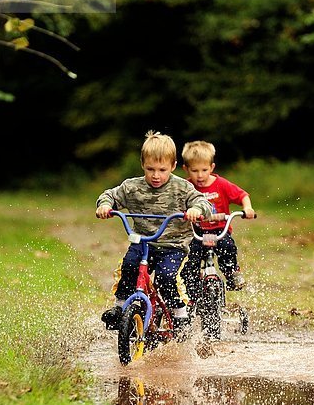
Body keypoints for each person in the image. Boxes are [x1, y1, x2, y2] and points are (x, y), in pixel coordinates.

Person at [96, 131, 213, 336]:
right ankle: (121, 306)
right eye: (150, 169)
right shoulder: (132, 187)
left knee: (167, 277)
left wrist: (196, 210)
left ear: (173, 166)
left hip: (173, 246)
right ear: (142, 164)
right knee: (129, 267)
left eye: (162, 170)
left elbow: (203, 202)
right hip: (142, 243)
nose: (156, 175)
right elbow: (110, 195)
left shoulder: (182, 187)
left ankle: (179, 314)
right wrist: (105, 206)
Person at [181, 141, 255, 305]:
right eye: (194, 171)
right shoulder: (186, 187)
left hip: (220, 230)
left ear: (212, 167)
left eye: (204, 170)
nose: (200, 175)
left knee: (227, 247)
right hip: (197, 232)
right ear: (186, 169)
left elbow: (242, 195)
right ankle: (191, 291)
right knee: (189, 257)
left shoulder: (221, 185)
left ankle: (232, 274)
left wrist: (247, 208)